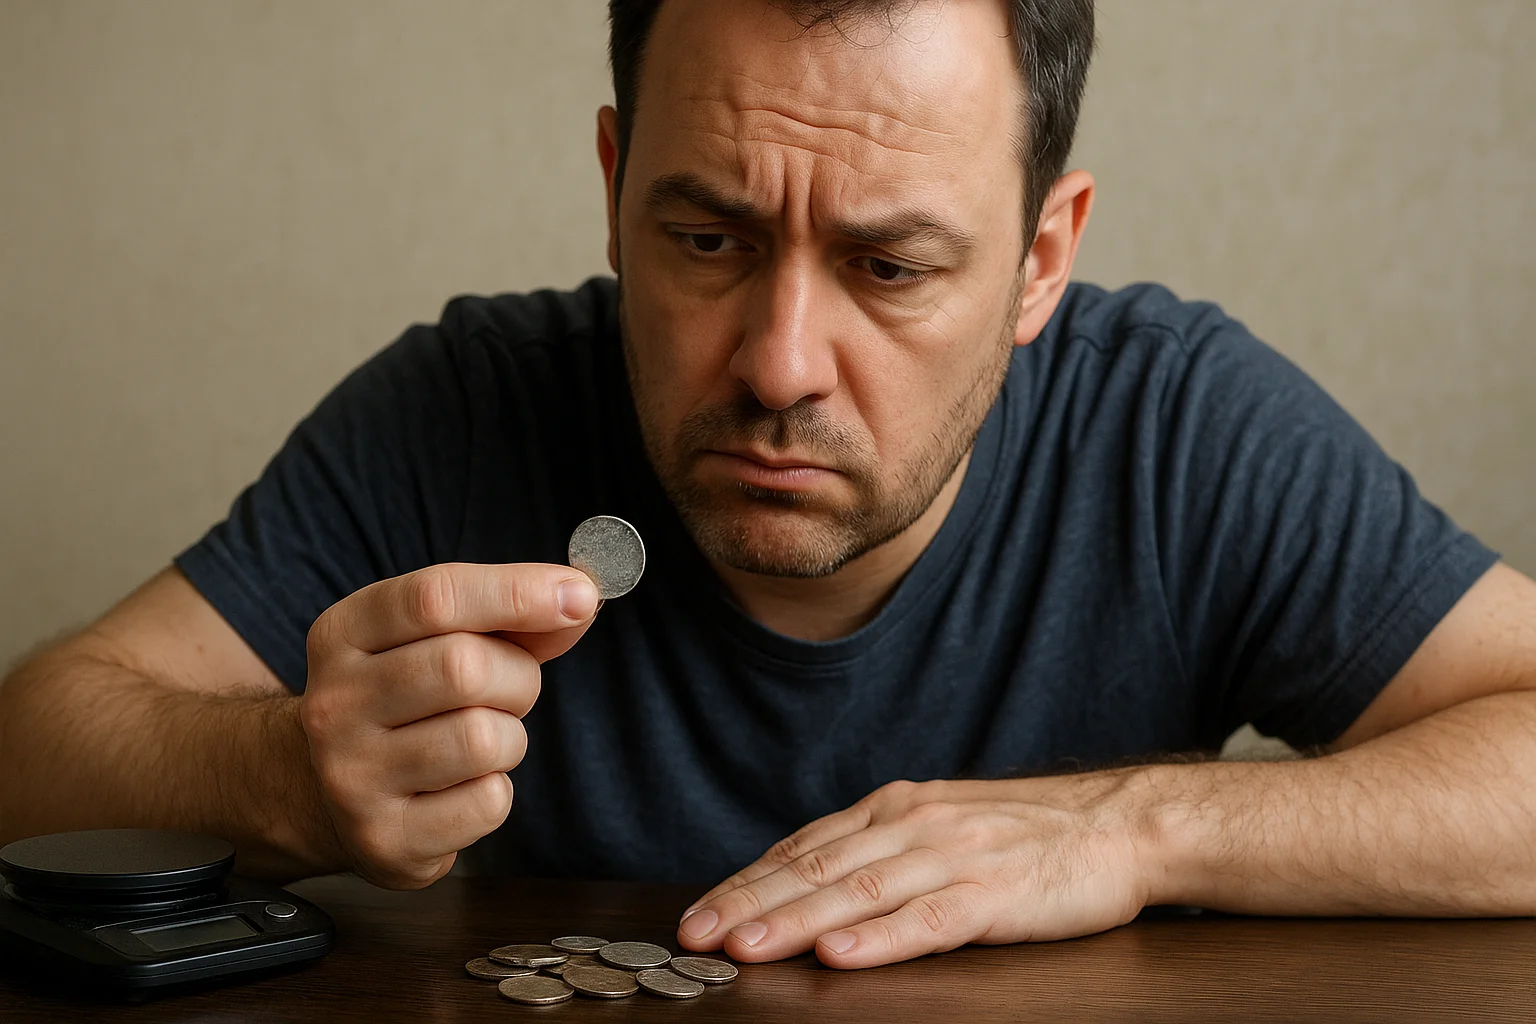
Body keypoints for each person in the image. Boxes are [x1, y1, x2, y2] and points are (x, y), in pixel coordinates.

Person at [3, 0, 1535, 972]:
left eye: (892, 265)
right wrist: (278, 775)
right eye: (710, 241)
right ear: (613, 189)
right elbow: (35, 745)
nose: (781, 362)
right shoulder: (465, 407)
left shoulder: (1182, 428)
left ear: (1039, 260)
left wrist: (1131, 832)